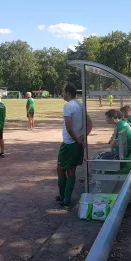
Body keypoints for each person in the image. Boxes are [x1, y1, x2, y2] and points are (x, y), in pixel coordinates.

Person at [57, 83, 92, 211]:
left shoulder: (68, 106)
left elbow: (69, 127)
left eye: (63, 91)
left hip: (69, 144)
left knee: (60, 169)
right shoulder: (80, 105)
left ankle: (63, 198)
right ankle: (66, 200)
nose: (62, 94)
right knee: (71, 170)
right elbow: (90, 124)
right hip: (77, 144)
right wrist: (82, 138)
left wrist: (77, 139)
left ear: (68, 92)